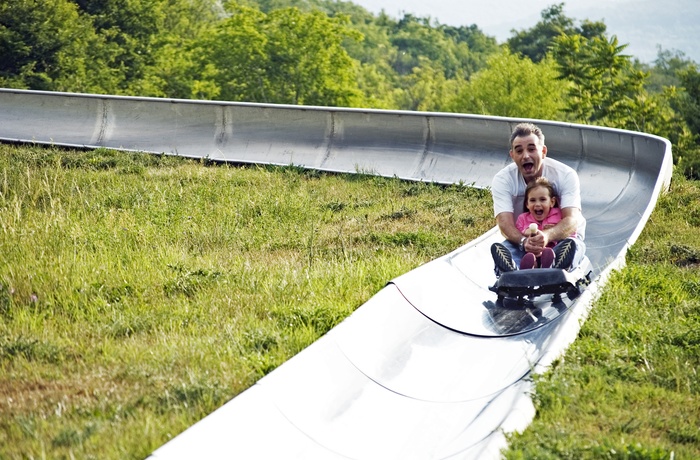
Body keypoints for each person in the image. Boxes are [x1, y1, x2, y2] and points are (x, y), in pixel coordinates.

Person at [490, 122, 586, 275]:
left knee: (572, 245)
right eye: (519, 151)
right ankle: (512, 270)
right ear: (512, 155)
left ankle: (558, 264)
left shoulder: (565, 175)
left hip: (560, 238)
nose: (525, 155)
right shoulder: (503, 180)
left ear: (543, 151)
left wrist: (547, 236)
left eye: (531, 149)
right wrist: (523, 241)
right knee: (508, 248)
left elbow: (572, 220)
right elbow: (504, 223)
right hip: (522, 239)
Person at [515, 177, 577, 269]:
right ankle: (528, 268)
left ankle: (552, 263)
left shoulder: (558, 215)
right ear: (527, 204)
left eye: (542, 199)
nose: (537, 204)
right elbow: (518, 232)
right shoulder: (523, 218)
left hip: (553, 250)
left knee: (556, 250)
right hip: (533, 252)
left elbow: (571, 231)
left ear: (552, 202)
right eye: (532, 200)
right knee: (528, 255)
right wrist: (528, 232)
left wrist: (554, 231)